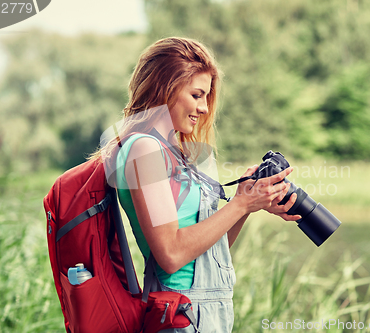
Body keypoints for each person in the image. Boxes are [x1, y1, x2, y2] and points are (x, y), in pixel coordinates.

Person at [103, 37, 301, 333]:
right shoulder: (144, 149)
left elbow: (211, 251)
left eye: (206, 97)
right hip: (183, 314)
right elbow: (170, 255)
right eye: (197, 95)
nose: (205, 108)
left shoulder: (173, 152)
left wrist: (245, 203)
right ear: (165, 88)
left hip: (206, 312)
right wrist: (240, 205)